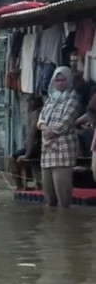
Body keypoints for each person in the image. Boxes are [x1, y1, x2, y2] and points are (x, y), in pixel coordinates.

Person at [37, 66, 81, 208]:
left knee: (63, 201)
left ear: (68, 81)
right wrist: (44, 127)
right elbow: (41, 119)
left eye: (63, 80)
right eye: (57, 80)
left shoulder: (73, 100)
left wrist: (49, 131)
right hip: (47, 150)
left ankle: (64, 226)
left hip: (63, 151)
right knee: (49, 200)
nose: (60, 83)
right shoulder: (50, 100)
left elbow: (64, 124)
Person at [9, 94, 43, 190]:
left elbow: (31, 135)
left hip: (38, 147)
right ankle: (26, 183)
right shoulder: (41, 112)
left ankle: (20, 186)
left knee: (13, 158)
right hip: (40, 146)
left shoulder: (36, 114)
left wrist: (27, 154)